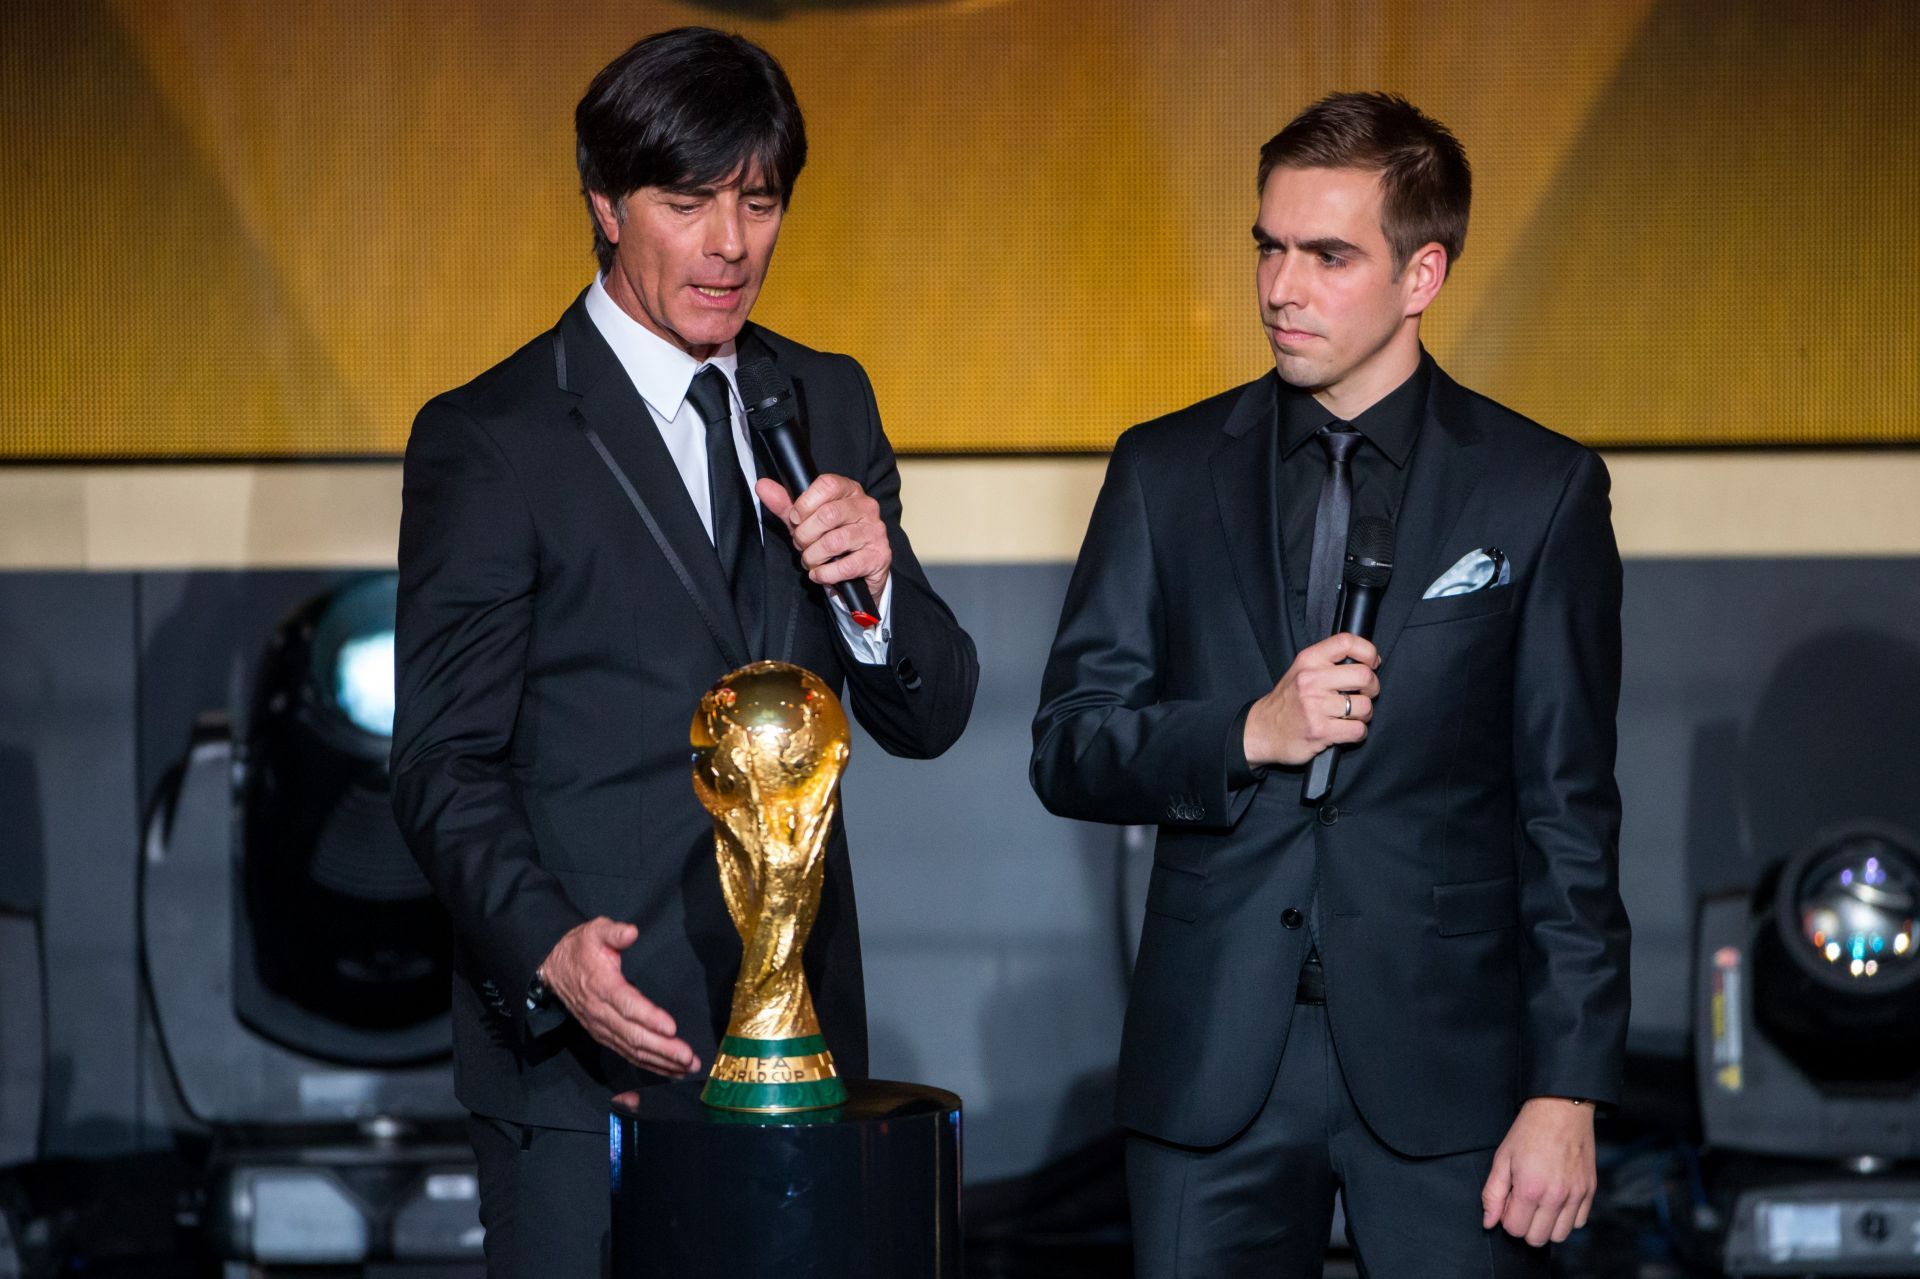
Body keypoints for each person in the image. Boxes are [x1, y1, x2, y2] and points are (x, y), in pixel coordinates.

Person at [389, 27, 978, 1275]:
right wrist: (549, 949)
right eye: (688, 200)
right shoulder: (493, 436)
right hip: (591, 1052)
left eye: (758, 203)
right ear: (604, 203)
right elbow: (442, 761)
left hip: (798, 1047)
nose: (730, 244)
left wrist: (873, 585)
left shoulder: (826, 398)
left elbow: (932, 713)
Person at [1030, 91, 1629, 1276]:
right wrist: (1247, 731)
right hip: (1215, 1063)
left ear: (1423, 276)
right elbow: (1070, 744)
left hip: (1448, 1072)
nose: (1280, 286)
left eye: (1328, 254)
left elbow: (1569, 815)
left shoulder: (1537, 489)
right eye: (1268, 245)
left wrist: (1568, 1090)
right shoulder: (1164, 470)